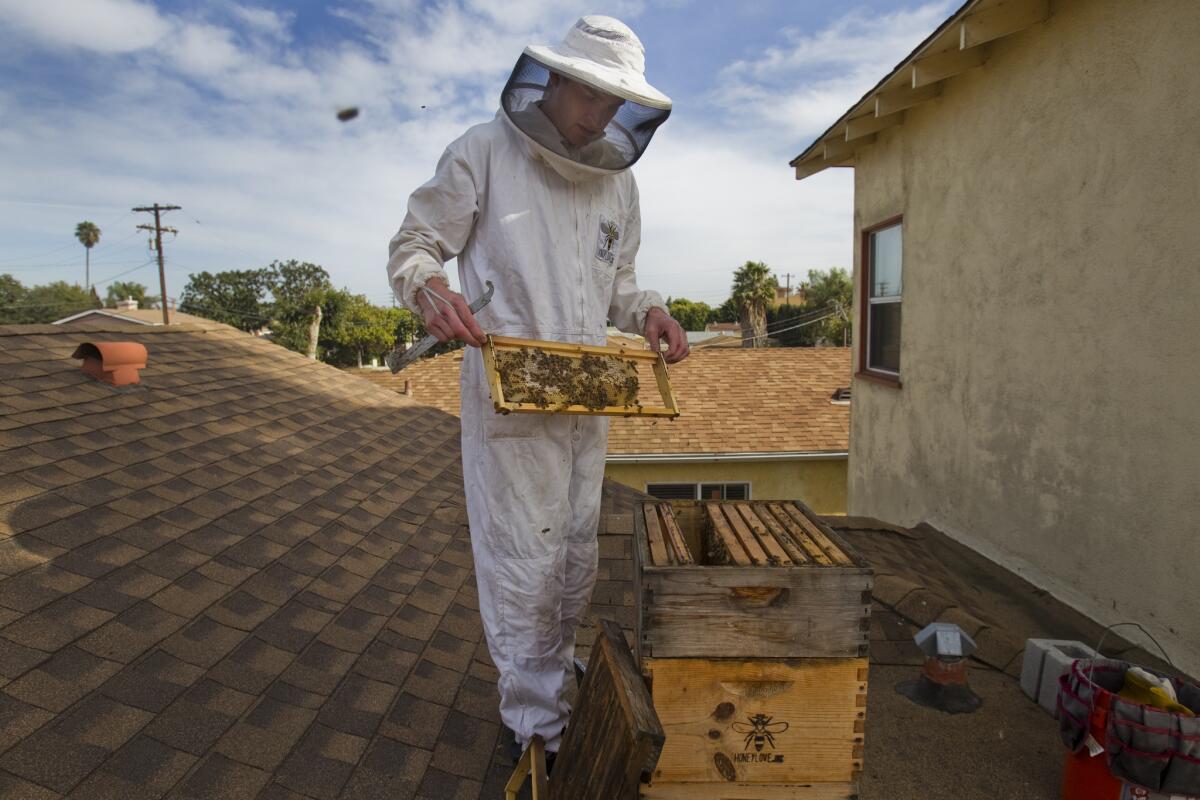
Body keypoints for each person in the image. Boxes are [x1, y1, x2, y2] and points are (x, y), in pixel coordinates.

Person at [387, 15, 688, 762]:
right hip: (510, 393)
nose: (603, 117)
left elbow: (616, 284)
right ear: (553, 81)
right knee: (524, 555)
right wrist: (427, 291)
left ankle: (554, 675)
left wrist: (648, 310)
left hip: (587, 395)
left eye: (618, 106)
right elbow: (415, 245)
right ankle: (537, 724)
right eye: (593, 98)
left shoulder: (619, 183)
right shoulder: (483, 153)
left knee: (574, 553)